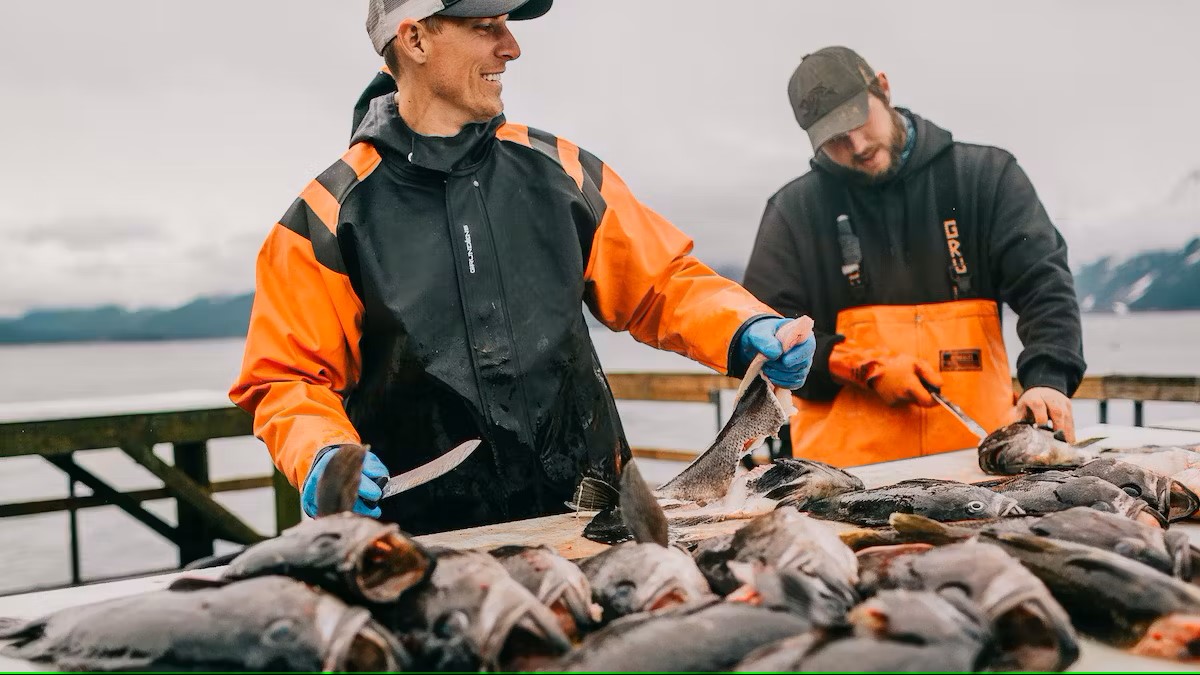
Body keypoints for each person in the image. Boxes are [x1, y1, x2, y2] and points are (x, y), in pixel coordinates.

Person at [229, 0, 816, 535]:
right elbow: (287, 379)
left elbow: (660, 284)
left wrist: (743, 326)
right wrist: (323, 454)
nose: (511, 47)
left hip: (594, 522)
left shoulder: (560, 170)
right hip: (426, 544)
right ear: (414, 39)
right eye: (487, 28)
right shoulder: (328, 215)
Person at [742, 46, 1086, 467]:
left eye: (857, 120)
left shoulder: (985, 177)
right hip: (844, 482)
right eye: (834, 139)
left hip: (980, 468)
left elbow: (1045, 286)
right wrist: (864, 368)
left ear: (883, 88)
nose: (856, 144)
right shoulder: (794, 211)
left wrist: (1048, 380)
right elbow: (763, 335)